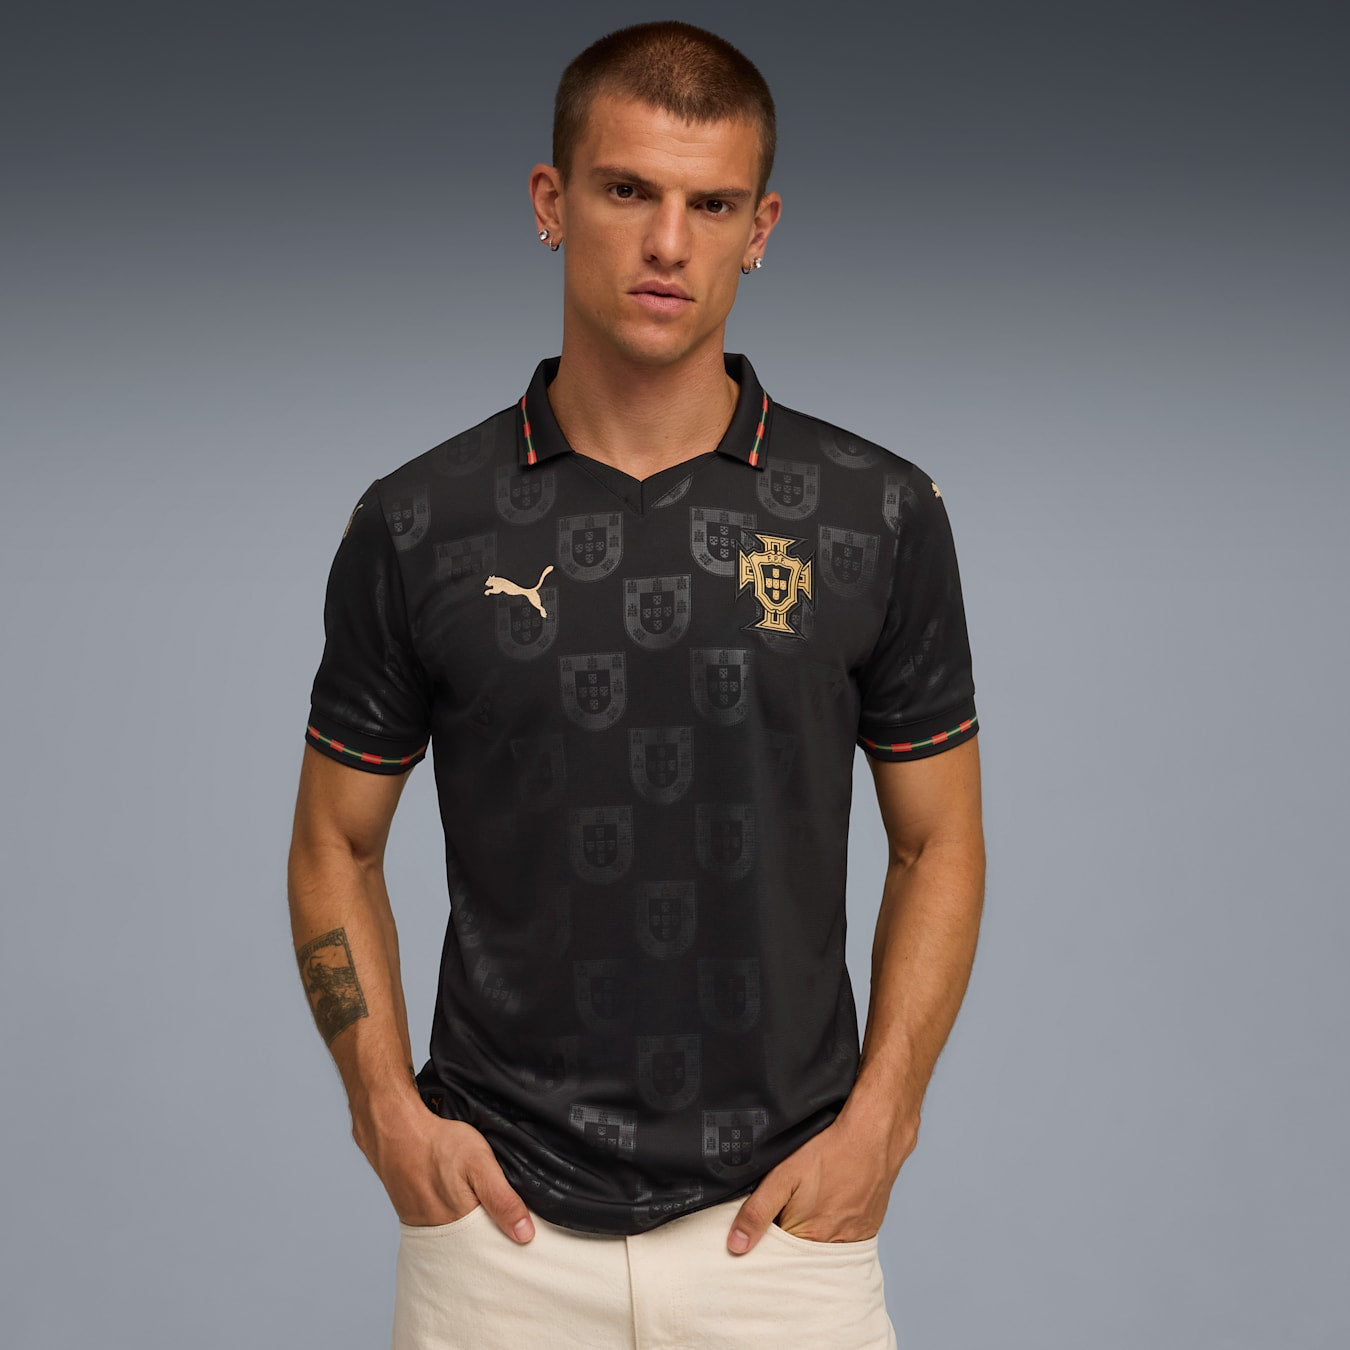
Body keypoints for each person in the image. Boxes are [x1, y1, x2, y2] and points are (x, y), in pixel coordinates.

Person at [287, 19, 984, 1350]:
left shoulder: (877, 514)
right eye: (627, 190)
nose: (668, 242)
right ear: (551, 202)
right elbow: (334, 841)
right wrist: (384, 1110)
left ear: (759, 227)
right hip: (497, 1239)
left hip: (784, 1232)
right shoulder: (418, 523)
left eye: (710, 204)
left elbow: (938, 840)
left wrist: (884, 1122)